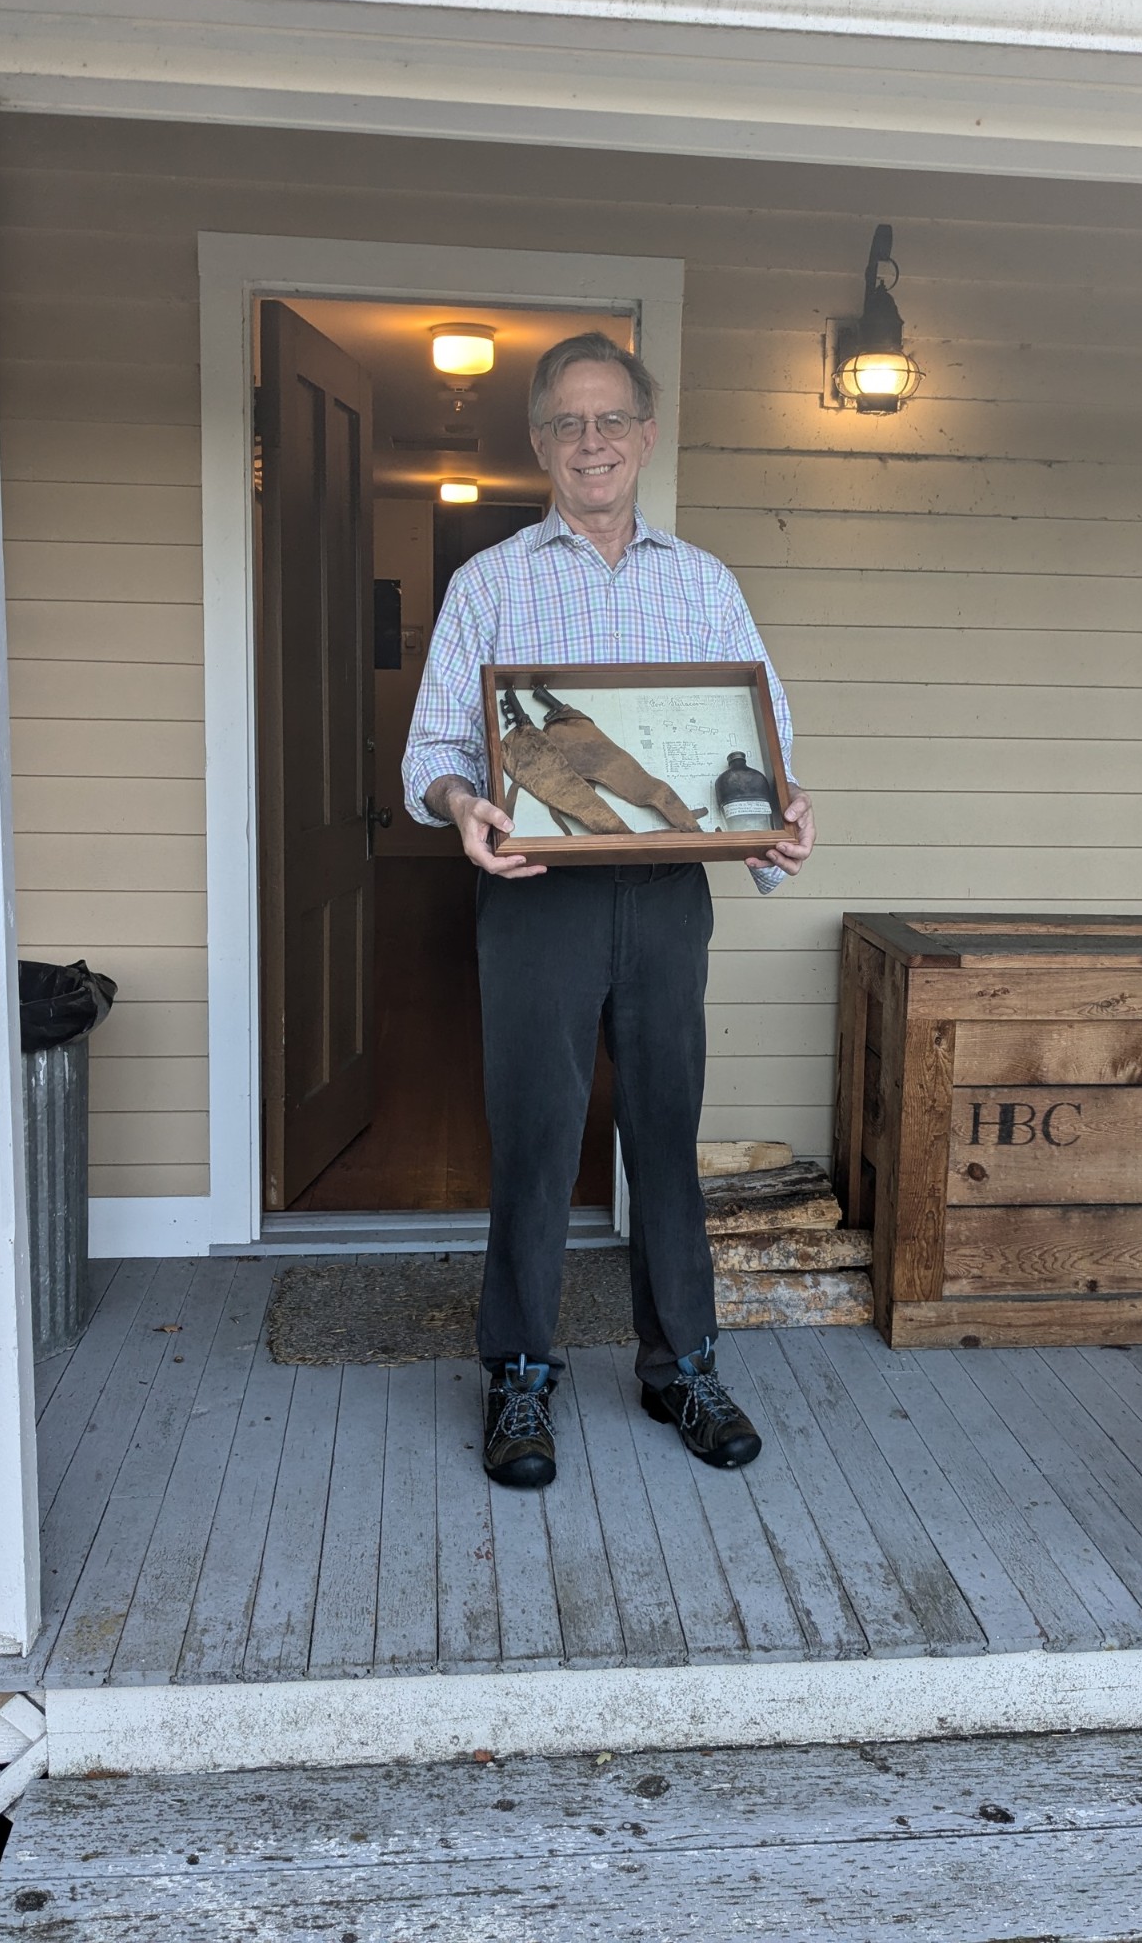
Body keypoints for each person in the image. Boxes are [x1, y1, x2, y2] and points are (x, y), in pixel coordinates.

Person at [403, 332, 815, 1490]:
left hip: (666, 900)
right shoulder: (490, 582)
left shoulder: (705, 584)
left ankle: (680, 1362)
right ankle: (521, 1373)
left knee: (665, 1138)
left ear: (646, 434)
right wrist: (458, 800)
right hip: (539, 902)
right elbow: (435, 743)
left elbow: (757, 737)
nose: (593, 442)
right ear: (539, 441)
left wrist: (780, 808)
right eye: (568, 422)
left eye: (611, 420)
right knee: (536, 1139)